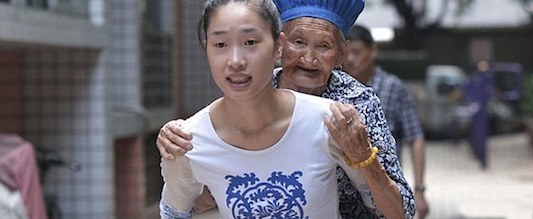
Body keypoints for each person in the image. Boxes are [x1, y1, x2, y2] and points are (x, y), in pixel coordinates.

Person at [157, 0, 416, 218]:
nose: (308, 58)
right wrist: (181, 148)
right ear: (281, 47)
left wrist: (363, 158)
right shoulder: (252, 87)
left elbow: (400, 210)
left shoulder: (351, 106)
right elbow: (203, 190)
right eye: (298, 42)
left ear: (341, 55)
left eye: (323, 46)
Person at [343, 24, 429, 219]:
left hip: (384, 190)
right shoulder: (334, 89)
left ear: (373, 51)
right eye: (346, 53)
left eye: (356, 52)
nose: (350, 59)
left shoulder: (393, 88)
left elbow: (415, 137)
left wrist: (420, 190)